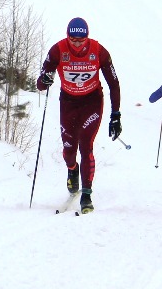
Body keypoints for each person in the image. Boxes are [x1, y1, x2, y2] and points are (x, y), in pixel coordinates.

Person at [36, 16, 122, 214]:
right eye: (72, 40)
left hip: (92, 102)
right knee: (69, 150)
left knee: (86, 145)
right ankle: (72, 169)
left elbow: (114, 84)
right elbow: (40, 85)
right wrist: (45, 80)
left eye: (80, 40)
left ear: (87, 37)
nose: (76, 44)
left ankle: (86, 195)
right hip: (68, 103)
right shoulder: (58, 50)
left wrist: (115, 114)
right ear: (67, 37)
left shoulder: (99, 51)